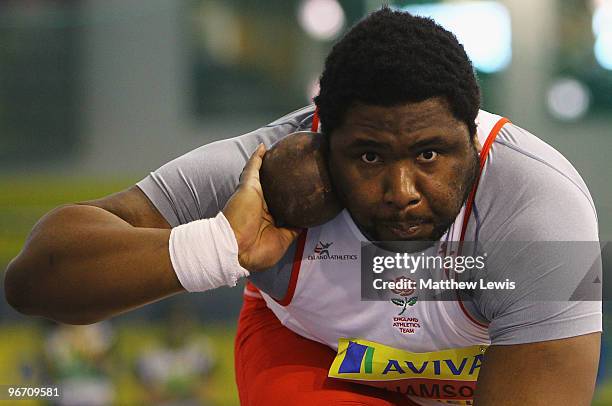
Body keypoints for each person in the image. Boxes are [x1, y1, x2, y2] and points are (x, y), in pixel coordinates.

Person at [4, 8, 601, 405]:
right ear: (320, 136)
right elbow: (35, 280)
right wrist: (216, 247)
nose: (401, 191)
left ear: (472, 139)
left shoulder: (540, 206)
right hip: (317, 352)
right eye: (368, 157)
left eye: (430, 154)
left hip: (482, 363)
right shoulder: (261, 175)